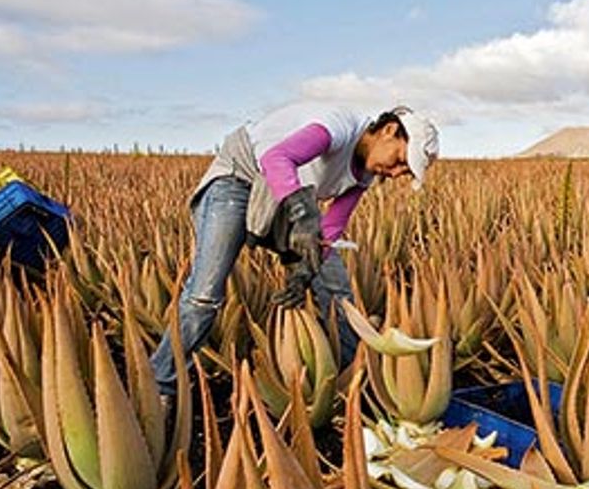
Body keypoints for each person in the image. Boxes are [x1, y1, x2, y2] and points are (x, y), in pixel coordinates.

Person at [150, 105, 439, 394]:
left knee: (337, 291)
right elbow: (276, 158)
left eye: (405, 171)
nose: (396, 172)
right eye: (401, 159)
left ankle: (354, 386)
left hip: (283, 194)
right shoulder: (336, 127)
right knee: (204, 295)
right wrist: (303, 215)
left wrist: (305, 271)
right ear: (389, 131)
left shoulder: (365, 174)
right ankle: (160, 386)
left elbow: (330, 230)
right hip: (240, 179)